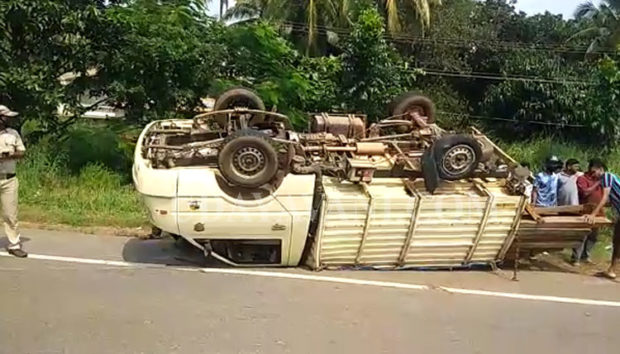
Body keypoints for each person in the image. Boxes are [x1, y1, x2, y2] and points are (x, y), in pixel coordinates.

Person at [584, 165, 620, 279]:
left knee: (617, 241)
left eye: (594, 172)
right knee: (617, 241)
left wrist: (593, 214)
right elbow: (610, 200)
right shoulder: (608, 179)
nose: (593, 175)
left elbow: (604, 197)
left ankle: (612, 269)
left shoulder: (607, 177)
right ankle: (611, 270)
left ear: (601, 169)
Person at [0, 105, 27, 258]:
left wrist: (9, 155)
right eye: (6, 116)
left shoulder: (13, 134)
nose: (9, 119)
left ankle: (14, 244)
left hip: (9, 179)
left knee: (11, 214)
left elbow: (22, 152)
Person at [573, 159, 604, 265]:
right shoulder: (582, 179)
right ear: (592, 169)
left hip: (598, 212)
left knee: (593, 236)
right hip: (585, 212)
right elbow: (585, 192)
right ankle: (575, 258)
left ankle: (586, 255)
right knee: (582, 235)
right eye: (598, 169)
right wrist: (598, 183)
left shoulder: (601, 180)